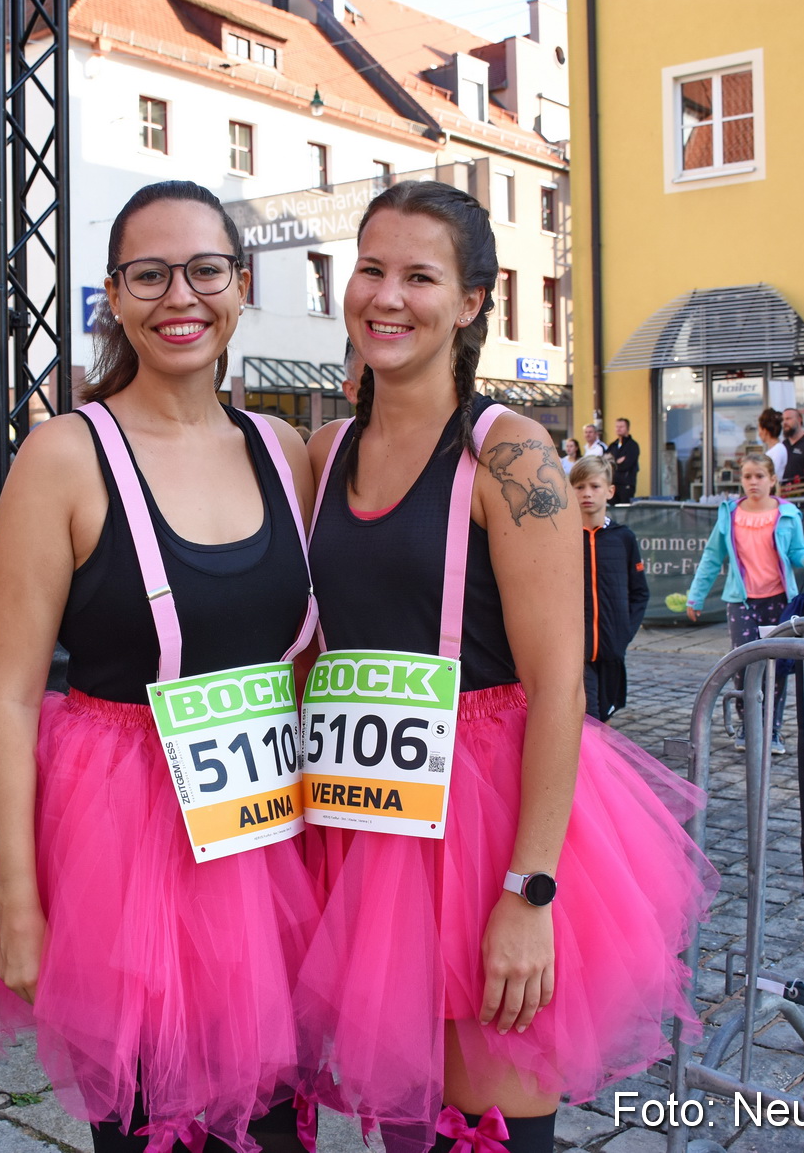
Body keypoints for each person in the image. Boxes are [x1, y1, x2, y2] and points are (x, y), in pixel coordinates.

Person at [0, 181, 320, 1153]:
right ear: (113, 294)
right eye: (150, 274)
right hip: (129, 845)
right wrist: (19, 899)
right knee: (155, 1122)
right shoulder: (65, 456)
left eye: (205, 270)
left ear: (239, 287)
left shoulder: (285, 450)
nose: (179, 296)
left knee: (273, 1118)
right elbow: (9, 696)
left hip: (269, 839)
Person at [299, 180, 716, 1153]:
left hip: (488, 823)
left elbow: (561, 686)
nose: (386, 297)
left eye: (419, 276)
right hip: (363, 823)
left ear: (473, 301)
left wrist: (528, 893)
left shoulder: (513, 458)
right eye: (370, 269)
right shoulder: (322, 453)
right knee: (401, 1118)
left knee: (484, 1126)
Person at [684, 453, 804, 754]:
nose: (753, 482)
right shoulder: (730, 514)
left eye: (759, 476)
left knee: (776, 667)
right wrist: (695, 595)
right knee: (743, 666)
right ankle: (748, 728)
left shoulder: (787, 513)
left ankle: (771, 730)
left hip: (779, 602)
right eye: (747, 476)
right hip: (742, 603)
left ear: (772, 479)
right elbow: (712, 557)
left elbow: (798, 550)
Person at [569, 456, 648, 721]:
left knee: (604, 717)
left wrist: (623, 632)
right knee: (587, 717)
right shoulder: (562, 536)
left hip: (612, 649)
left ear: (610, 491)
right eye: (579, 487)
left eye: (594, 486)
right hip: (575, 652)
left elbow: (639, 593)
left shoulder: (623, 538)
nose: (587, 493)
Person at [602, 417, 639, 504]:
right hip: (613, 483)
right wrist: (616, 461)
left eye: (621, 426)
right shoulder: (613, 445)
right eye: (617, 426)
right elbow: (605, 461)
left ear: (628, 428)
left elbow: (626, 465)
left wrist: (612, 461)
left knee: (624, 509)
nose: (618, 429)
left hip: (626, 485)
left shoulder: (632, 445)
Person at [757, 409, 787, 481]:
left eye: (759, 429)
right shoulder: (776, 449)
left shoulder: (778, 449)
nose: (759, 434)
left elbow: (769, 473)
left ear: (765, 430)